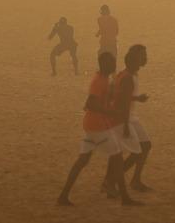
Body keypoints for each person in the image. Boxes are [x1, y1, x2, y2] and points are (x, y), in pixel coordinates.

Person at [57, 51, 141, 206]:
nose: (114, 65)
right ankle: (125, 198)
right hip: (98, 127)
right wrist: (112, 112)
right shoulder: (98, 81)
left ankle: (63, 196)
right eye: (111, 62)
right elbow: (91, 103)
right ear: (104, 64)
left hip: (91, 126)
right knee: (117, 158)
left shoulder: (103, 79)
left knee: (82, 160)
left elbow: (99, 99)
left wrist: (132, 98)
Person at [114, 45, 152, 192]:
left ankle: (135, 180)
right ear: (135, 60)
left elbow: (123, 96)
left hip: (131, 117)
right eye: (143, 56)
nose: (145, 58)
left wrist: (136, 98)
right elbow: (122, 103)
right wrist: (124, 126)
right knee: (137, 151)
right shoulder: (127, 77)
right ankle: (112, 179)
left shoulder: (131, 74)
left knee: (146, 146)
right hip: (125, 118)